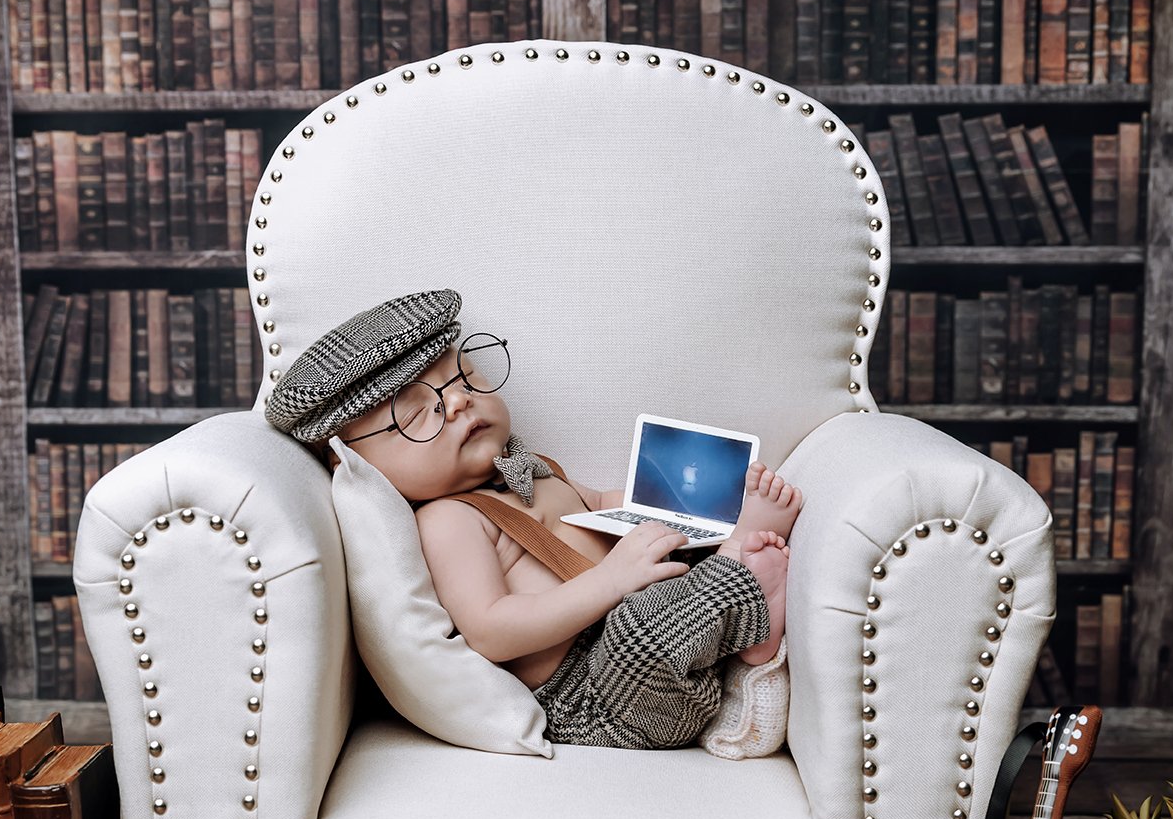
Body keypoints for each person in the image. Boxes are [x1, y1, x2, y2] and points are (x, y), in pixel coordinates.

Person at [264, 288, 802, 750]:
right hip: (595, 696)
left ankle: (746, 623)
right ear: (356, 463)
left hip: (665, 661)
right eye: (416, 411)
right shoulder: (449, 521)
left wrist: (697, 515)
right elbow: (492, 631)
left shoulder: (533, 468)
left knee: (665, 580)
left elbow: (599, 506)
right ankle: (742, 586)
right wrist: (611, 579)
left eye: (466, 380)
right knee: (638, 630)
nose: (457, 405)